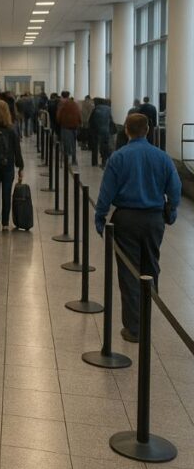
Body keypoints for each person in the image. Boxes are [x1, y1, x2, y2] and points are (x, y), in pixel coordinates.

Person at [95, 113, 181, 343]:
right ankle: (148, 317)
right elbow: (175, 188)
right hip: (154, 219)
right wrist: (171, 212)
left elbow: (106, 192)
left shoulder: (118, 157)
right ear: (149, 130)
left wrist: (100, 217)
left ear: (126, 131)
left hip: (126, 220)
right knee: (151, 266)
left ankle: (134, 328)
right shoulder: (162, 158)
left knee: (129, 271)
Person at [0, 100, 24, 231]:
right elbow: (17, 150)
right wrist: (21, 167)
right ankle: (6, 223)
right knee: (6, 194)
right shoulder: (11, 129)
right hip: (7, 166)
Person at [56, 90, 81, 165]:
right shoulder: (74, 104)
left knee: (66, 143)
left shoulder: (62, 104)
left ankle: (66, 159)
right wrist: (79, 123)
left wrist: (59, 122)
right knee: (73, 143)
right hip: (75, 126)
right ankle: (74, 159)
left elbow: (58, 116)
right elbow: (79, 114)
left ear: (62, 96)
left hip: (65, 126)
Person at [88, 98, 114, 167]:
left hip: (95, 131)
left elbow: (91, 120)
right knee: (104, 146)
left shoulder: (95, 109)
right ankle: (104, 161)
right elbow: (111, 120)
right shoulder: (108, 109)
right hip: (105, 130)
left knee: (95, 147)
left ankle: (94, 162)